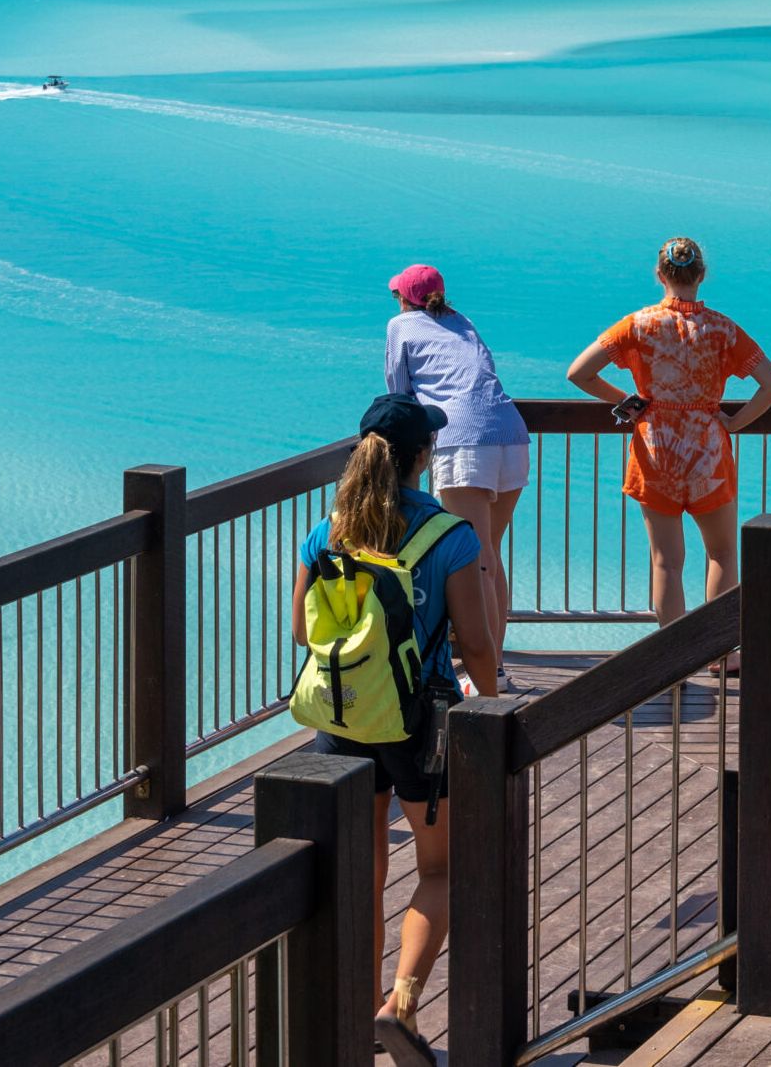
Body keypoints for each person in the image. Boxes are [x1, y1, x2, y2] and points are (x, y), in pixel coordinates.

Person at [290, 394, 498, 1067]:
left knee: (364, 872)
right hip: (418, 722)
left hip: (343, 717)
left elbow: (301, 631)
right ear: (420, 458)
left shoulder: (328, 532)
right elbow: (475, 643)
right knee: (442, 866)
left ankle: (358, 1006)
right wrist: (489, 716)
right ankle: (400, 1005)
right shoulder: (451, 536)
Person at [565, 237, 771, 624]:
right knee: (721, 555)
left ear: (659, 275)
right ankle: (723, 654)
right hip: (709, 452)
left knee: (666, 563)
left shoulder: (638, 324)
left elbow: (579, 372)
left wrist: (630, 403)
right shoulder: (722, 329)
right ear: (701, 275)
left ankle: (673, 664)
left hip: (656, 451)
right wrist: (733, 423)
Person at [385, 264, 529, 688]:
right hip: (510, 434)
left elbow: (398, 392)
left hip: (464, 439)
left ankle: (490, 674)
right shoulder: (461, 321)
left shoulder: (401, 325)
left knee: (478, 559)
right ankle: (495, 663)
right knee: (489, 555)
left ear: (404, 298)